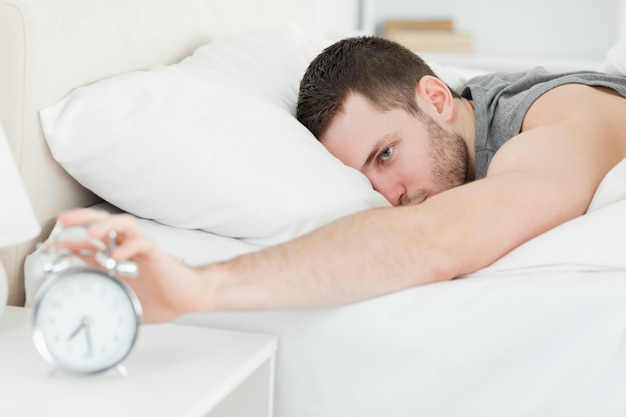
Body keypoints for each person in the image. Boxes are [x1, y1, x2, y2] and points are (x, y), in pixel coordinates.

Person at [58, 36, 626, 324]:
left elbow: (436, 240)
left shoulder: (557, 120)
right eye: (365, 177)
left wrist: (203, 287)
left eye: (385, 154)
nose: (388, 196)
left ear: (435, 97)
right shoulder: (467, 115)